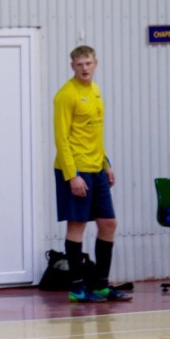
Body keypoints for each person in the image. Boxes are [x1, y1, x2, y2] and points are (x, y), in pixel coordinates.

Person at [54, 45, 132, 303]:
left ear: (95, 63)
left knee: (109, 224)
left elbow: (94, 135)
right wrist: (72, 175)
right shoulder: (66, 95)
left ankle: (101, 285)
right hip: (76, 169)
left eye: (88, 63)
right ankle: (77, 288)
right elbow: (62, 139)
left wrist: (106, 162)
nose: (84, 68)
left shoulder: (96, 90)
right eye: (79, 65)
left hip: (97, 168)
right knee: (77, 226)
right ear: (72, 66)